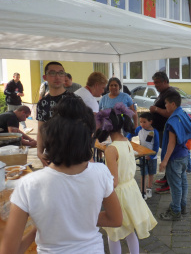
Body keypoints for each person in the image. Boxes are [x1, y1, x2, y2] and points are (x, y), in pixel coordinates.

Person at [0, 96, 122, 254]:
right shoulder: (101, 173)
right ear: (91, 135)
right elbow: (115, 219)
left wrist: (37, 229)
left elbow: (9, 251)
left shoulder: (29, 184)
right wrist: (80, 217)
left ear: (49, 138)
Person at [95, 103, 157, 254]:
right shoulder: (127, 143)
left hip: (118, 194)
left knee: (114, 234)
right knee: (129, 230)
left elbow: (113, 181)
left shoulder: (111, 149)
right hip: (131, 190)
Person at [158, 91, 191, 221]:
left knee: (175, 186)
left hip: (174, 158)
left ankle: (175, 211)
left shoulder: (173, 120)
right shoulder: (183, 114)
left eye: (166, 104)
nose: (165, 106)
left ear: (173, 104)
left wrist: (164, 161)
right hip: (185, 155)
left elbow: (171, 143)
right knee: (183, 182)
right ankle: (182, 206)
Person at [36, 61, 73, 166]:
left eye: (61, 73)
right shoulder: (42, 103)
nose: (57, 77)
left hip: (72, 155)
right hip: (50, 156)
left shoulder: (74, 100)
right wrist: (39, 152)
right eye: (52, 73)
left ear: (65, 76)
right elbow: (41, 129)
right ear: (45, 77)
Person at [150, 72, 177, 194]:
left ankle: (169, 183)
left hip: (167, 130)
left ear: (165, 81)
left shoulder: (171, 93)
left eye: (158, 82)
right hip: (160, 129)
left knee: (168, 155)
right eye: (154, 82)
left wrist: (155, 109)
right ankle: (166, 177)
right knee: (165, 153)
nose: (156, 85)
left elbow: (170, 112)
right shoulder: (163, 93)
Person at [127, 112, 160, 199]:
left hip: (152, 157)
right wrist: (127, 138)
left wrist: (152, 156)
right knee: (143, 174)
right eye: (141, 122)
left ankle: (149, 188)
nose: (142, 124)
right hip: (142, 156)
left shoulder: (154, 132)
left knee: (151, 174)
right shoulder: (139, 129)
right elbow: (131, 133)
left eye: (144, 122)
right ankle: (143, 191)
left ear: (150, 122)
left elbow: (156, 146)